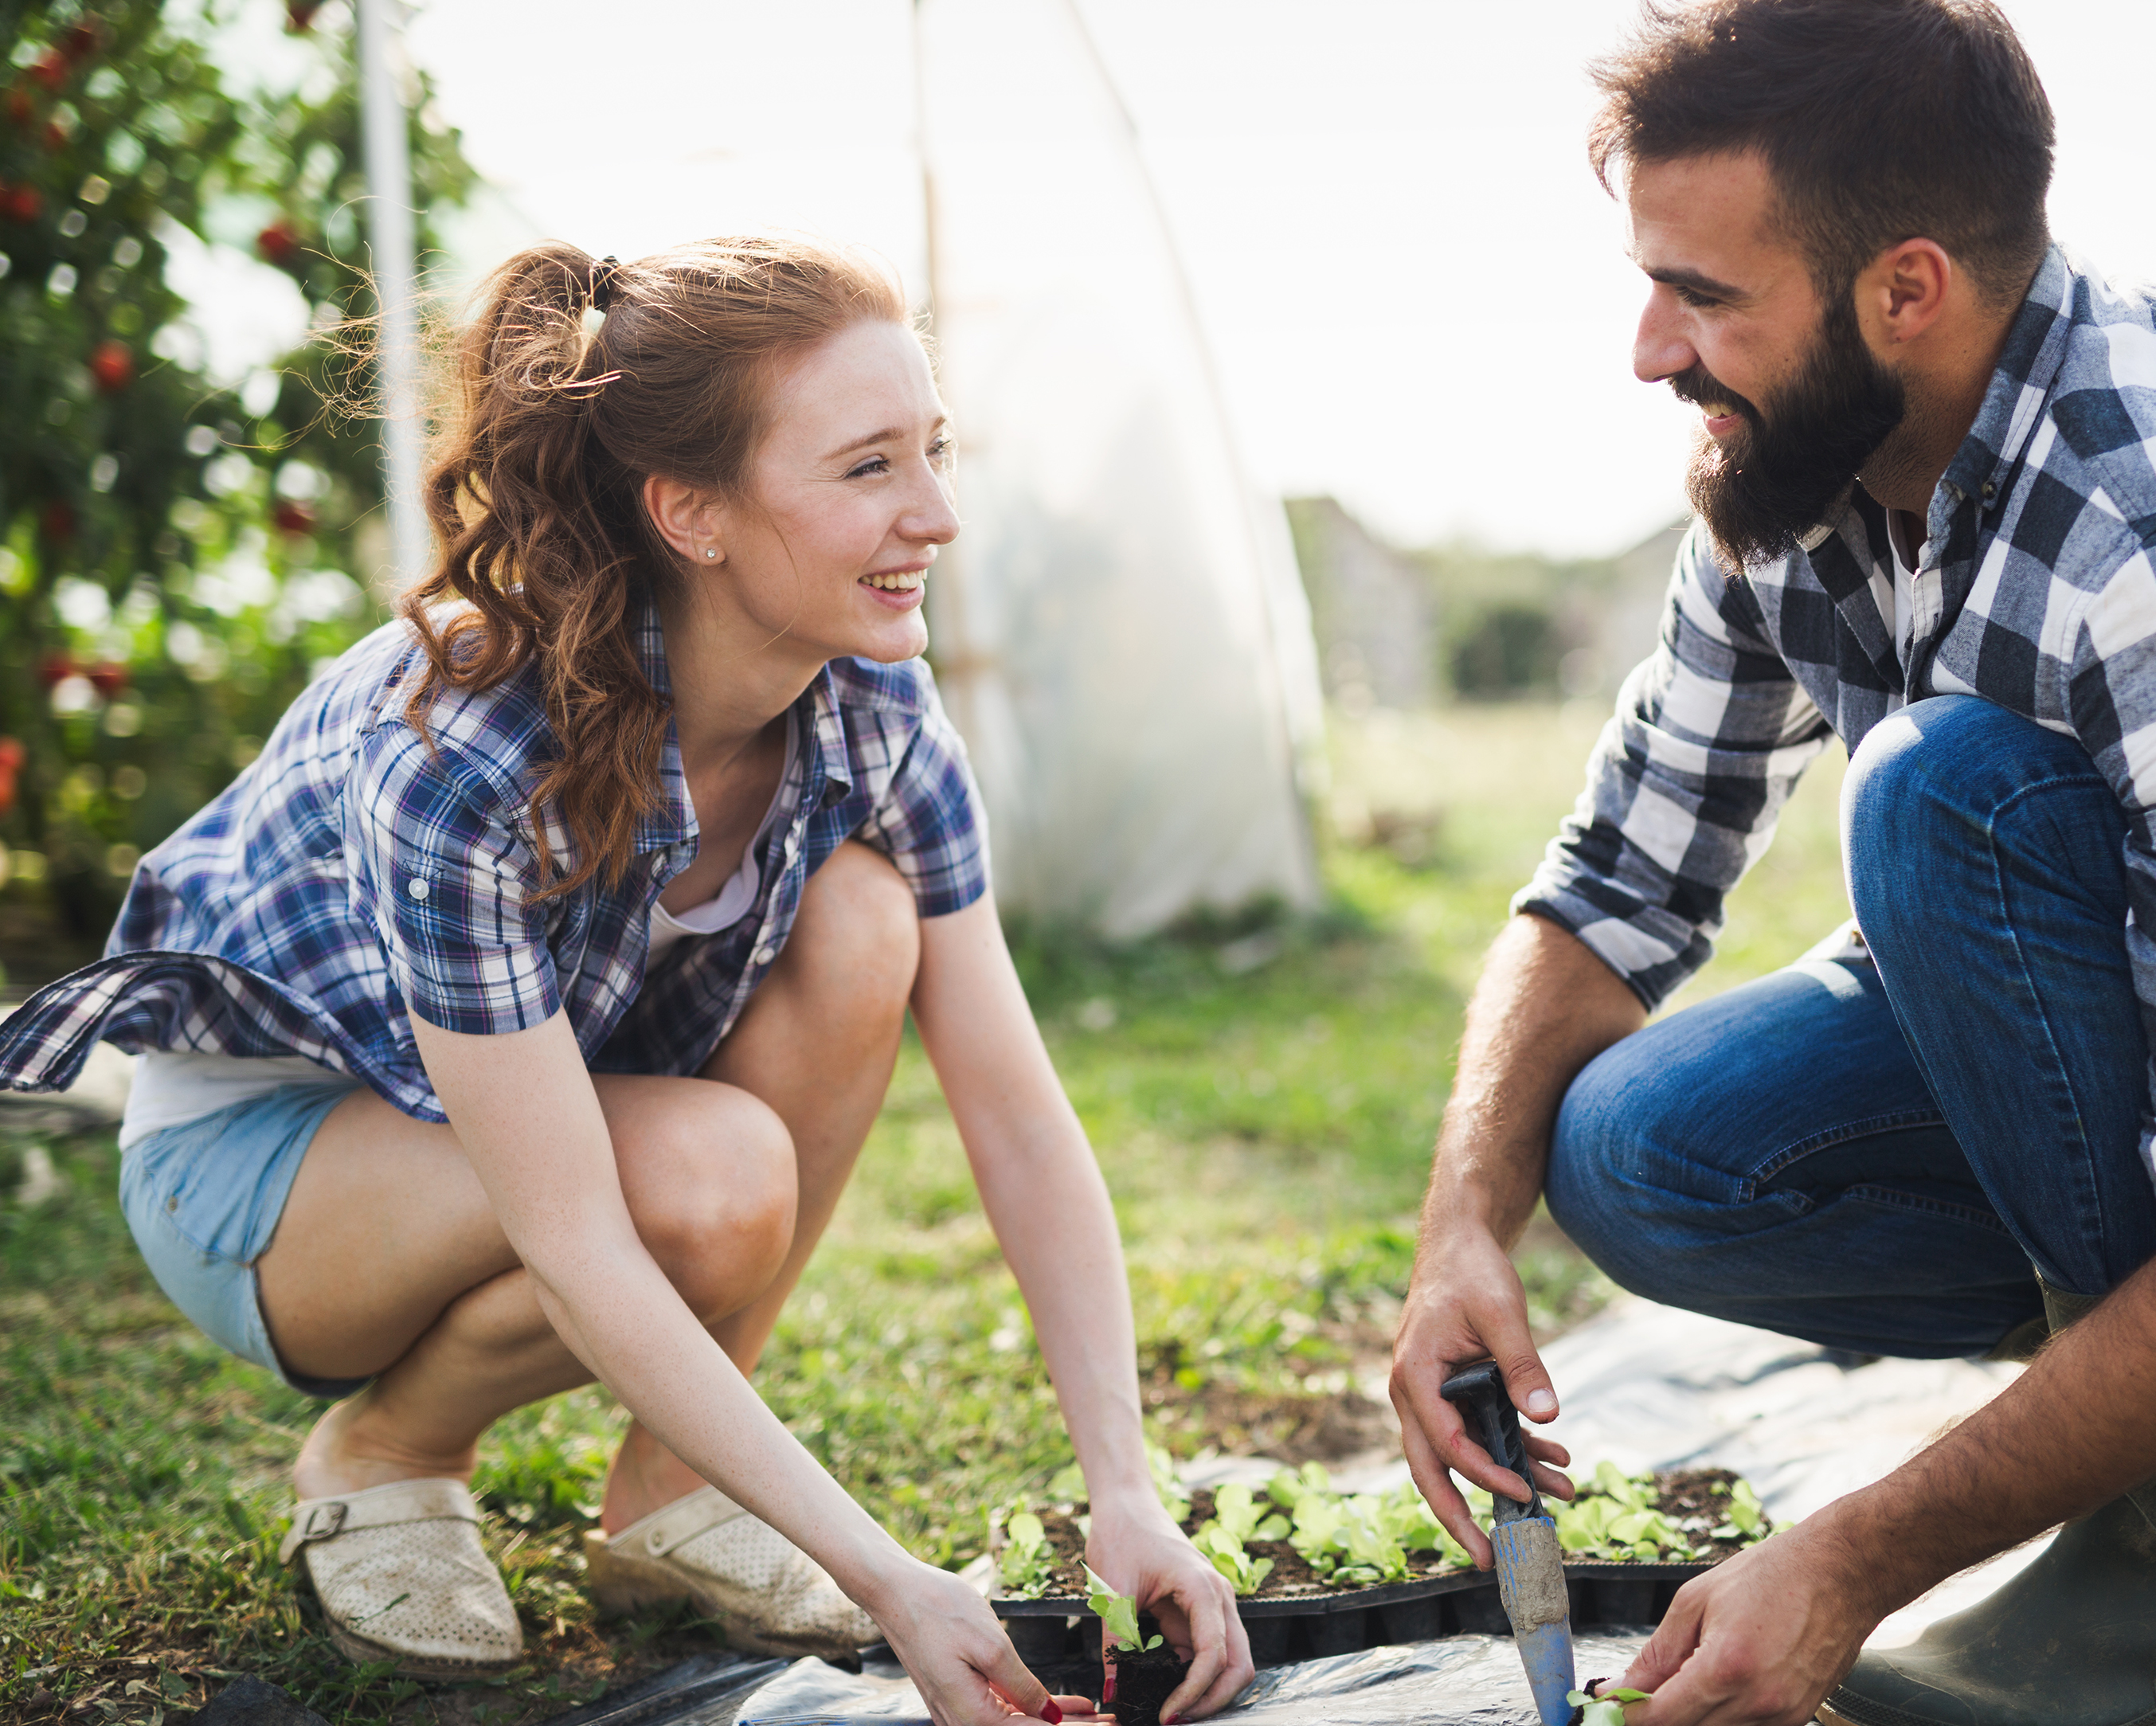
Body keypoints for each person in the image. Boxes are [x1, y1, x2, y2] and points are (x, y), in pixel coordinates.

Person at [1387, 4, 2156, 1724]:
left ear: (1906, 290)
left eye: (1705, 294)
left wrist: (1854, 1558)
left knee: (1941, 793)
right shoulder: (1785, 465)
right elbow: (1611, 880)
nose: (1650, 348)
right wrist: (1457, 1239)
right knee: (1636, 1150)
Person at [0, 237, 1249, 1725]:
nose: (937, 514)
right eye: (865, 467)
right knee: (713, 1180)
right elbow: (579, 1232)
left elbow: (1021, 1119)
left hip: (524, 1126)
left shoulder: (875, 712)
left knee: (864, 916)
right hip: (260, 1172)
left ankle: (668, 1498)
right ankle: (385, 1456)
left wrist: (1129, 1493)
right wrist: (882, 1571)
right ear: (690, 514)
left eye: (934, 448)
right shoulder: (462, 751)